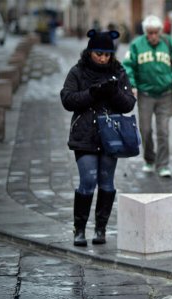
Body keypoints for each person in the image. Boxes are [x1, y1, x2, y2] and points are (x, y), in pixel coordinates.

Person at [60, 29, 136, 246]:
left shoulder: (118, 72)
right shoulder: (78, 71)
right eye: (99, 53)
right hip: (85, 134)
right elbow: (67, 99)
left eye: (107, 54)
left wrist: (113, 92)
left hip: (111, 135)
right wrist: (92, 93)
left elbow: (129, 103)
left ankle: (101, 229)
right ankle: (80, 229)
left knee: (107, 182)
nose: (103, 58)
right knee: (87, 180)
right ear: (90, 51)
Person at [123, 15, 172, 177]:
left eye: (156, 32)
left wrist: (171, 78)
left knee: (163, 130)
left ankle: (163, 164)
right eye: (150, 33)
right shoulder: (137, 45)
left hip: (165, 94)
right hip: (145, 94)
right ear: (145, 33)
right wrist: (133, 85)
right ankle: (149, 159)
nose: (153, 36)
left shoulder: (168, 43)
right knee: (145, 129)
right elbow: (128, 66)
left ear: (160, 31)